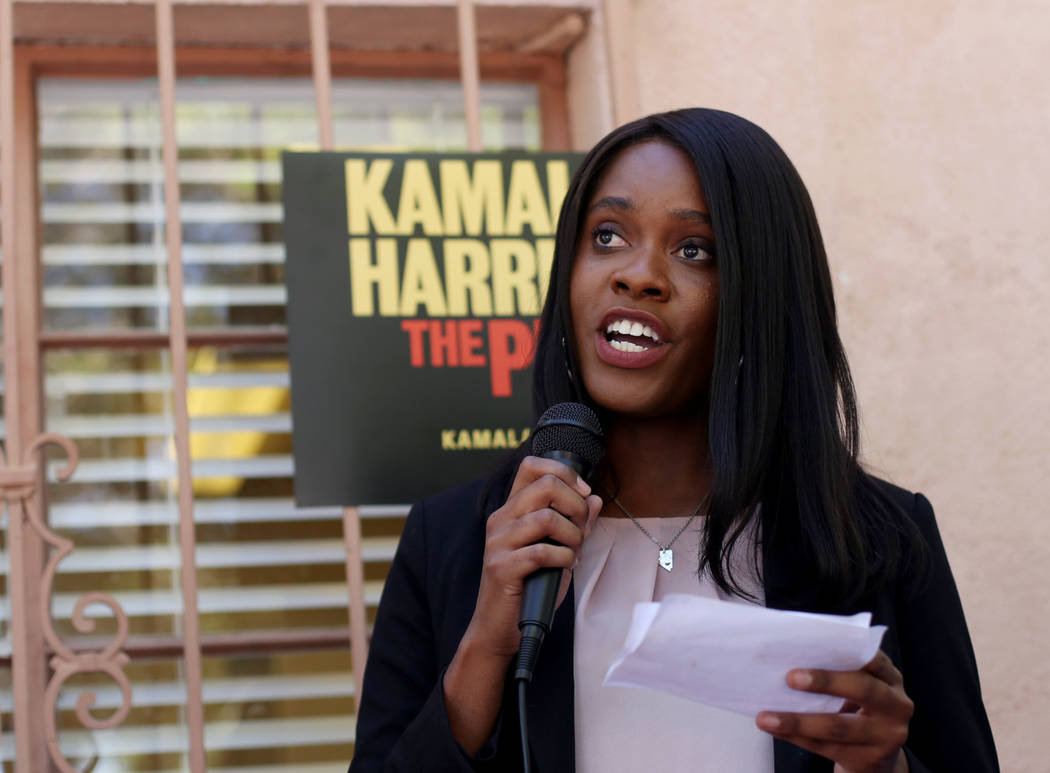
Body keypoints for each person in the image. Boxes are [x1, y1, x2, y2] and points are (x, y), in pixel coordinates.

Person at [348, 109, 999, 772]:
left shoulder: (881, 539)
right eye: (606, 235)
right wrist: (485, 647)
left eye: (694, 250)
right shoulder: (456, 537)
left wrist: (885, 767)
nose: (637, 275)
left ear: (761, 294)